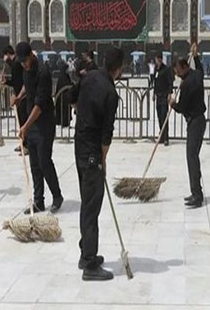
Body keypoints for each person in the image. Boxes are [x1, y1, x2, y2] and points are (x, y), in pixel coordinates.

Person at [75, 47, 124, 281]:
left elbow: (71, 99)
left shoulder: (89, 77)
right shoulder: (111, 93)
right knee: (92, 206)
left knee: (87, 201)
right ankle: (89, 265)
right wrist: (103, 159)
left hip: (79, 147)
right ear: (120, 68)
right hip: (93, 150)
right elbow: (107, 133)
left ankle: (86, 251)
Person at [11, 42, 63, 214]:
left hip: (44, 123)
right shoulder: (26, 69)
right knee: (34, 164)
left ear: (31, 56)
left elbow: (39, 106)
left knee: (44, 161)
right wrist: (19, 97)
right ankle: (38, 201)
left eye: (25, 61)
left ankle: (57, 196)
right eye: (21, 62)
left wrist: (25, 126)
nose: (24, 64)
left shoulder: (43, 72)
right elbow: (27, 85)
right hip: (32, 124)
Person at [169, 47, 206, 208]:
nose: (176, 74)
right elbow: (201, 69)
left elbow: (182, 107)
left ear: (184, 67)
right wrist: (196, 56)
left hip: (195, 122)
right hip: (199, 121)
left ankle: (197, 195)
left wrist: (172, 103)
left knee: (191, 157)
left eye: (177, 70)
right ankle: (196, 191)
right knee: (193, 156)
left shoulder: (187, 84)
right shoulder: (196, 75)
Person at [1, 45, 28, 153]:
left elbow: (15, 68)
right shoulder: (15, 64)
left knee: (24, 121)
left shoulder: (17, 62)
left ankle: (26, 144)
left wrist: (7, 62)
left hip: (23, 96)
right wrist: (6, 81)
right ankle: (22, 143)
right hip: (18, 95)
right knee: (21, 121)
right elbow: (15, 81)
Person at [153, 52, 173, 146]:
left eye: (159, 59)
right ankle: (161, 136)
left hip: (164, 96)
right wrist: (154, 93)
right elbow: (155, 83)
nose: (157, 61)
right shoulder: (156, 69)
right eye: (157, 59)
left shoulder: (166, 69)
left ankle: (166, 138)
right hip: (158, 96)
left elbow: (170, 82)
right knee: (159, 117)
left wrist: (169, 93)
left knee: (164, 116)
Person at [55, 61, 72, 128]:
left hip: (64, 97)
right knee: (64, 110)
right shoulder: (63, 77)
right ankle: (64, 122)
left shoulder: (64, 76)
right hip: (63, 97)